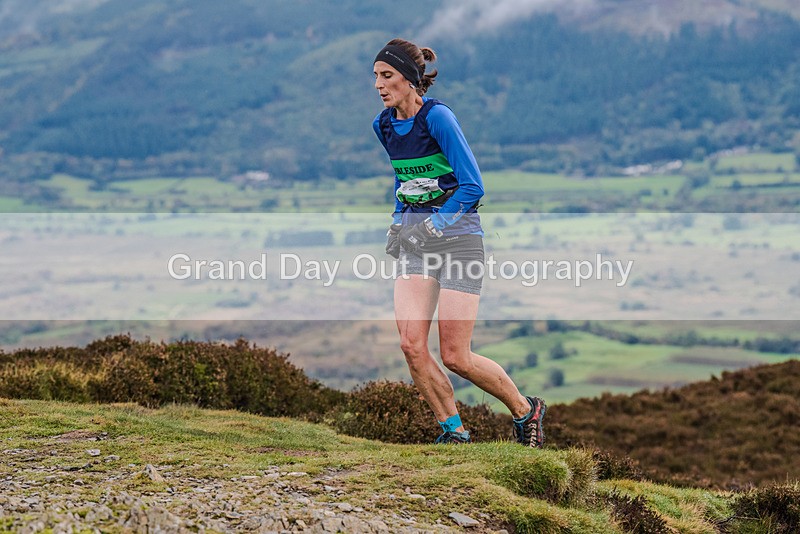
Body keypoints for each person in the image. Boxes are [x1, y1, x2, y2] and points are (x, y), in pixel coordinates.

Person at [372, 38, 546, 447]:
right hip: (415, 241)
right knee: (411, 344)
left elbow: (473, 186)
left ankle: (526, 410)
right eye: (376, 77)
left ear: (411, 79)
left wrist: (435, 226)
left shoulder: (439, 119)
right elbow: (405, 181)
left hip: (459, 242)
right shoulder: (383, 125)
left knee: (456, 356)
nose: (379, 86)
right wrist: (398, 224)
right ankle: (455, 433)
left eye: (387, 76)